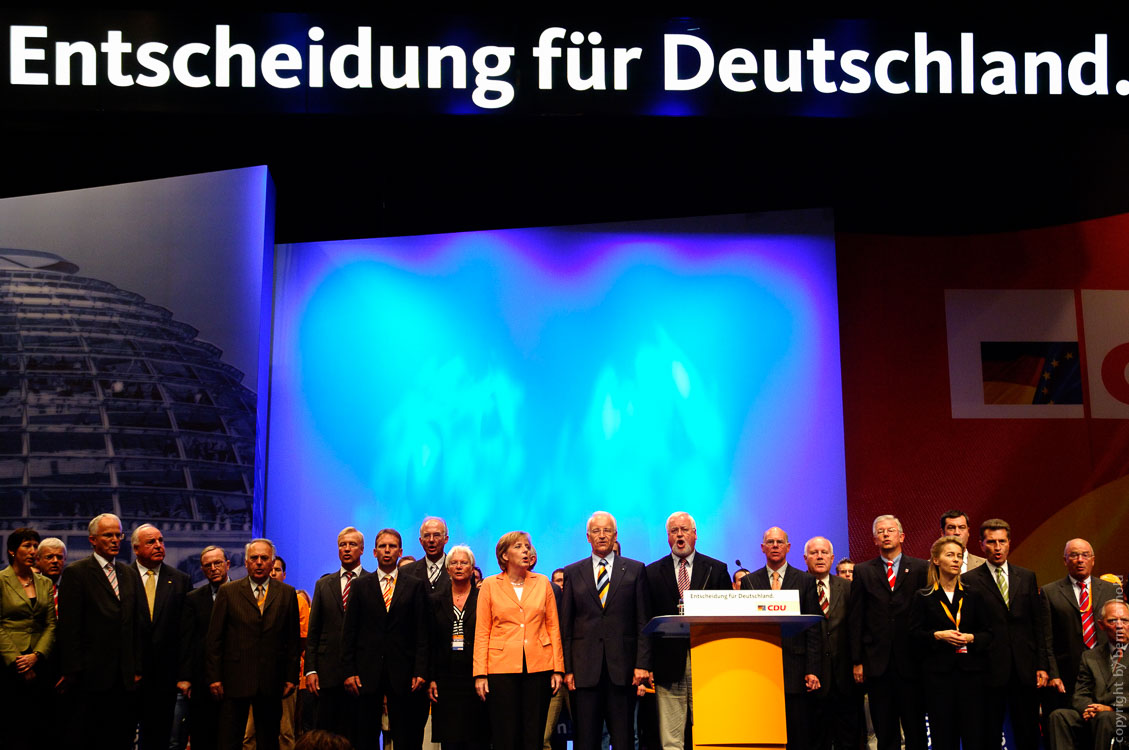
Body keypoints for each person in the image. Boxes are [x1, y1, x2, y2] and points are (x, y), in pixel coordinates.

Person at [560, 512, 651, 750]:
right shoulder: (572, 572)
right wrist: (567, 669)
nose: (602, 535)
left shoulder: (635, 570)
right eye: (597, 531)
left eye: (607, 530)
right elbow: (566, 626)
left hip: (622, 671)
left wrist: (641, 664)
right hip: (584, 672)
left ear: (615, 536)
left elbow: (643, 622)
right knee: (586, 740)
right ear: (588, 537)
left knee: (623, 739)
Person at [58, 512, 145, 750]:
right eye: (108, 535)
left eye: (119, 534)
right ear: (93, 540)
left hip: (125, 679)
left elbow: (136, 624)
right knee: (91, 739)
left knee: (122, 737)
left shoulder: (128, 573)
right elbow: (70, 627)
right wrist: (75, 672)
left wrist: (136, 668)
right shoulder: (77, 573)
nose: (115, 539)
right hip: (91, 678)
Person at [643, 511, 730, 750]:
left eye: (684, 530)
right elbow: (646, 622)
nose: (679, 535)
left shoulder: (716, 570)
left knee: (710, 732)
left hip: (708, 661)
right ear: (668, 537)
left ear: (695, 535)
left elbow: (728, 619)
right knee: (671, 738)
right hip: (666, 664)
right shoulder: (650, 573)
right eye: (674, 531)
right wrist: (647, 664)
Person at [961, 518, 1049, 750]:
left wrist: (1041, 665)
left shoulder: (1027, 576)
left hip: (1025, 667)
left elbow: (1036, 624)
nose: (997, 547)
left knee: (1028, 731)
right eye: (991, 542)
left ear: (1010, 543)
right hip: (988, 669)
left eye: (1002, 541)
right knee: (989, 731)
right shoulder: (969, 581)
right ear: (981, 544)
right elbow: (969, 627)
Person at [206, 538, 301, 750]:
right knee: (230, 740)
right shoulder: (228, 592)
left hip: (271, 681)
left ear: (272, 562)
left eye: (264, 558)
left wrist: (291, 677)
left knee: (268, 740)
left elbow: (292, 640)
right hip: (234, 680)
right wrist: (214, 678)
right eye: (254, 558)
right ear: (246, 562)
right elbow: (215, 640)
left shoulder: (286, 593)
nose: (259, 562)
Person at [473, 530, 564, 750]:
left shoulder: (542, 583)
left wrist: (558, 669)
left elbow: (553, 627)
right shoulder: (490, 585)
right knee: (505, 735)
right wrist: (480, 673)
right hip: (500, 668)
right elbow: (482, 630)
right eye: (518, 546)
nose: (525, 550)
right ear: (504, 555)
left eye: (527, 546)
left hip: (539, 666)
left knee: (534, 735)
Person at [342, 528, 430, 750]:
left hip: (403, 671)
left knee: (404, 735)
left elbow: (422, 632)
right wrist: (349, 670)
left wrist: (420, 670)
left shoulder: (414, 585)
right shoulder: (361, 585)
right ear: (373, 552)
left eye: (392, 546)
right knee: (366, 735)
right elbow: (350, 631)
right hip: (366, 671)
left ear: (400, 551)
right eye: (382, 546)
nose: (387, 551)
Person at [847, 514, 929, 750]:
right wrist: (857, 660)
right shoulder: (863, 571)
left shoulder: (920, 568)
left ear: (901, 536)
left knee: (915, 729)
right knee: (885, 729)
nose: (885, 534)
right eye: (880, 531)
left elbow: (926, 613)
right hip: (877, 664)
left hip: (911, 661)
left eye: (890, 530)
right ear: (874, 540)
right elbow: (856, 618)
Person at [740, 527, 821, 750]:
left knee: (798, 737)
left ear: (788, 547)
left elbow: (813, 629)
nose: (775, 546)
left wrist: (812, 669)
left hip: (796, 671)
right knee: (766, 736)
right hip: (761, 670)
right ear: (762, 548)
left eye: (779, 542)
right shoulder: (750, 582)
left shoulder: (805, 581)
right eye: (770, 542)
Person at [909, 535, 992, 750]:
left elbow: (989, 633)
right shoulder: (923, 596)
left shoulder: (973, 595)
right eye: (950, 555)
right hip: (938, 678)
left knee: (974, 735)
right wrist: (938, 635)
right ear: (936, 560)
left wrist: (970, 637)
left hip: (971, 675)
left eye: (959, 556)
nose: (956, 560)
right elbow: (914, 636)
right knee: (943, 736)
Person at [1042, 538, 1121, 712]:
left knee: (1102, 721)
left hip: (1107, 669)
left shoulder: (1111, 590)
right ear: (1065, 560)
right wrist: (1054, 674)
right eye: (1074, 555)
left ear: (1093, 559)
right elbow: (1047, 639)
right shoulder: (1050, 592)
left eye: (1085, 555)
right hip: (1068, 672)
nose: (1080, 560)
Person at [133, 523, 192, 750]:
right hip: (129, 677)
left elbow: (186, 632)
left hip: (165, 679)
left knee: (159, 739)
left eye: (161, 541)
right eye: (151, 542)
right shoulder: (124, 577)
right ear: (137, 549)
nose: (158, 545)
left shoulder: (180, 580)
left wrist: (184, 675)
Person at [244, 555, 310, 750]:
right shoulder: (248, 596)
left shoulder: (295, 600)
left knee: (285, 732)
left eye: (277, 570)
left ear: (284, 574)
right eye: (272, 569)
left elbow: (300, 640)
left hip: (283, 675)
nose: (273, 573)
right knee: (248, 733)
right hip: (250, 675)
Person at [427, 544, 489, 750]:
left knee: (477, 740)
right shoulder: (435, 601)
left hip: (476, 678)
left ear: (472, 569)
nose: (459, 566)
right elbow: (430, 642)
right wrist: (432, 677)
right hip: (446, 680)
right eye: (454, 563)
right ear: (447, 569)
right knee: (450, 742)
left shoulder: (483, 599)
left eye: (464, 563)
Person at [307, 527, 366, 741]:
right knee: (325, 736)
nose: (347, 549)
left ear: (362, 549)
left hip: (360, 674)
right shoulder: (323, 585)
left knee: (357, 735)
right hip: (327, 673)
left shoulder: (372, 582)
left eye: (352, 544)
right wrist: (310, 670)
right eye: (343, 544)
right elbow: (313, 632)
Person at [803, 536, 862, 750]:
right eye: (814, 553)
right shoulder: (799, 586)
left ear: (832, 558)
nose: (819, 556)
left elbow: (857, 628)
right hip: (812, 680)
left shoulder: (847, 587)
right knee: (817, 740)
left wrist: (858, 662)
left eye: (824, 552)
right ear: (805, 558)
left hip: (845, 677)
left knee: (849, 738)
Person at [1048, 599, 1129, 750]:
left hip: (1123, 714)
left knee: (1105, 718)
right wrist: (1089, 709)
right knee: (1060, 716)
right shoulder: (1090, 656)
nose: (1119, 626)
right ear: (1101, 625)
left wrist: (1110, 708)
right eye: (1112, 621)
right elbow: (1080, 694)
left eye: (1124, 620)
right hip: (1096, 713)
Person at [0, 527, 56, 750]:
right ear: (12, 551)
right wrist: (18, 660)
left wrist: (37, 655)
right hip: (8, 666)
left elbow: (51, 624)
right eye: (27, 546)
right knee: (11, 726)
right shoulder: (1, 580)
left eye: (35, 546)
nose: (33, 551)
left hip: (40, 664)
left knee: (39, 726)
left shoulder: (45, 583)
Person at [178, 545, 230, 750]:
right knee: (202, 735)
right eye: (208, 565)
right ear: (202, 569)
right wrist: (185, 677)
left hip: (235, 678)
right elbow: (187, 640)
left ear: (228, 565)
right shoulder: (193, 599)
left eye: (218, 563)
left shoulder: (243, 593)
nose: (213, 568)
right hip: (202, 681)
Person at [401, 517, 451, 593]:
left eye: (436, 535)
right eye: (427, 535)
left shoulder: (457, 570)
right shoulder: (406, 572)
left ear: (446, 539)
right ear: (421, 541)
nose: (431, 540)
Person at [34, 536, 66, 612]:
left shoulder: (73, 586)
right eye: (49, 557)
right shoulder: (31, 586)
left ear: (65, 559)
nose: (55, 561)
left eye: (59, 557)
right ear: (38, 560)